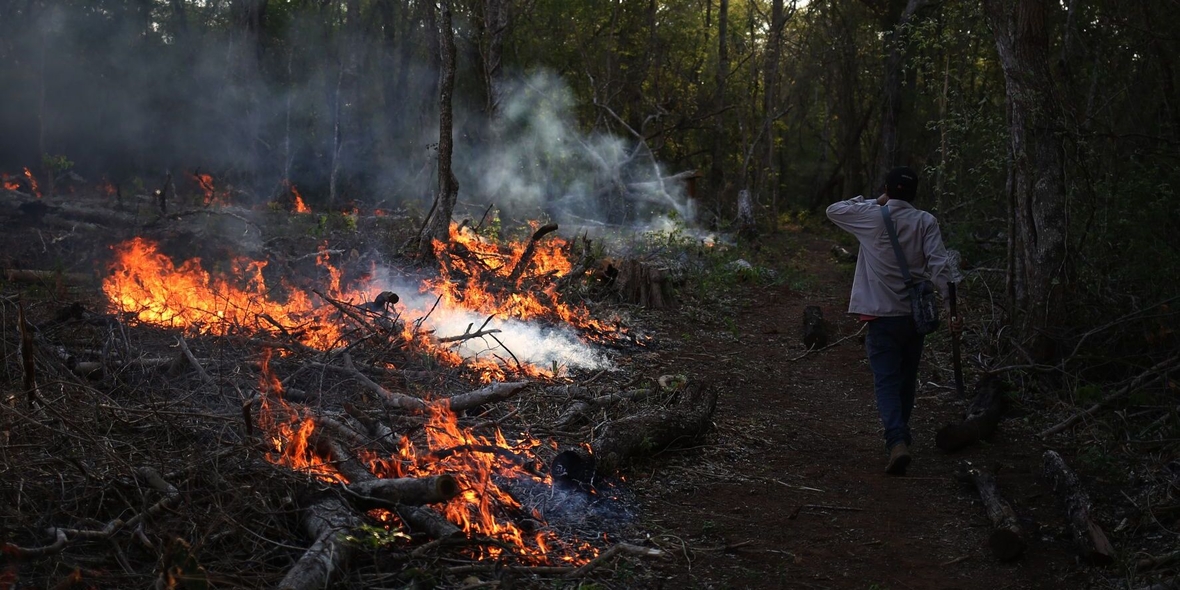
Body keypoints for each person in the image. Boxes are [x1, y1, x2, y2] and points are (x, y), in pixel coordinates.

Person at [825, 167, 953, 475]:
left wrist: (877, 200)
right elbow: (939, 266)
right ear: (915, 194)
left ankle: (896, 439)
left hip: (881, 316)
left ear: (886, 189)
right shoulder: (926, 221)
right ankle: (901, 434)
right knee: (907, 379)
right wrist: (951, 307)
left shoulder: (871, 217)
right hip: (915, 317)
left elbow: (834, 209)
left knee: (886, 380)